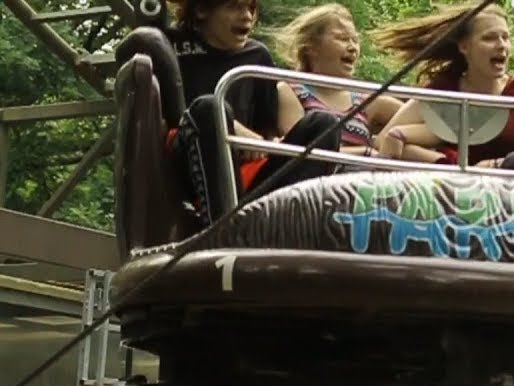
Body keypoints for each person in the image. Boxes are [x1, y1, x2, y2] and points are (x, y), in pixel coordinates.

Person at [112, 0, 342, 227]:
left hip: (247, 173)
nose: (246, 16)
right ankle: (222, 227)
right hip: (188, 161)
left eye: (251, 8)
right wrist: (228, 124)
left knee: (324, 124)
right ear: (202, 10)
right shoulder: (171, 43)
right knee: (210, 107)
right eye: (234, 7)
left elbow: (266, 130)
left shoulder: (258, 57)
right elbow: (127, 51)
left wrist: (260, 142)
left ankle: (285, 224)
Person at [371, 2, 514, 168]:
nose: (502, 45)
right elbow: (383, 140)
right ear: (464, 47)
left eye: (505, 37)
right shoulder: (444, 88)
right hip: (453, 191)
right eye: (489, 38)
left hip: (511, 191)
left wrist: (495, 165)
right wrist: (443, 161)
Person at [273, 4, 402, 157]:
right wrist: (365, 153)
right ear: (311, 47)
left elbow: (420, 115)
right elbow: (299, 149)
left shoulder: (366, 101)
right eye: (342, 39)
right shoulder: (291, 90)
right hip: (314, 177)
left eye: (355, 40)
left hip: (360, 178)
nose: (352, 47)